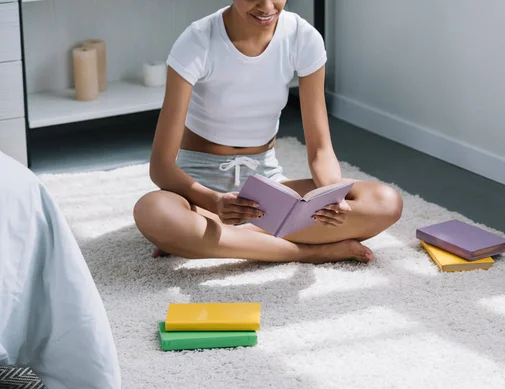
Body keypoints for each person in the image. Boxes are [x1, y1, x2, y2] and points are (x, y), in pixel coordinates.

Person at [133, 0, 403, 264]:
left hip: (267, 190)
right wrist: (215, 202)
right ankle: (309, 252)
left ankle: (209, 239)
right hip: (199, 191)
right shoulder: (196, 41)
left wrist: (331, 197)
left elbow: (320, 149)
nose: (267, 7)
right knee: (154, 212)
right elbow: (161, 166)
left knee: (385, 201)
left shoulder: (303, 37)